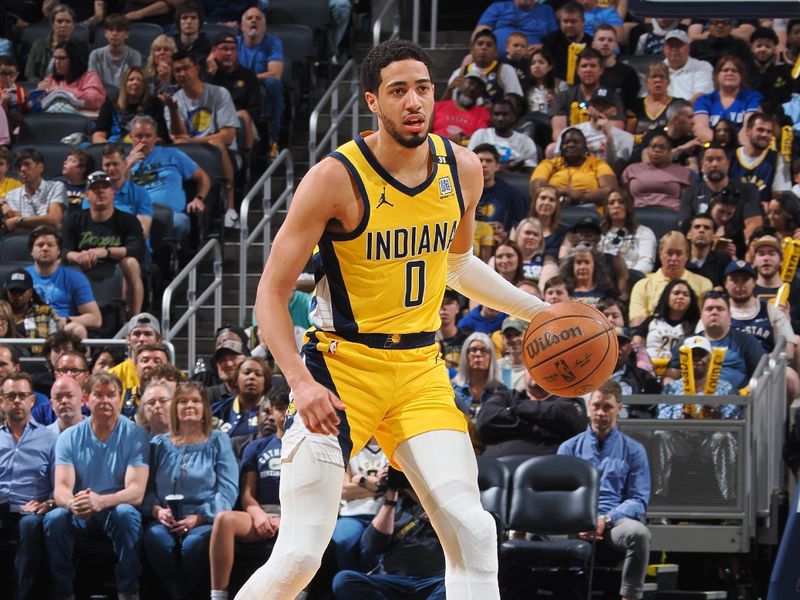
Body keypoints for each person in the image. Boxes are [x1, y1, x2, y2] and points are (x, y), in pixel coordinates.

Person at [239, 39, 551, 600]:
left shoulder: (463, 168)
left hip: (420, 371)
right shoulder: (334, 178)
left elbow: (457, 265)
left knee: (475, 531)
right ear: (372, 102)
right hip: (341, 369)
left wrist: (541, 312)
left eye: (423, 89)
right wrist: (300, 383)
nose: (414, 102)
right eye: (398, 91)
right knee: (299, 556)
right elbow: (271, 293)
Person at [44, 372, 149, 600]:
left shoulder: (136, 435)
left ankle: (128, 591)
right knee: (55, 518)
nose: (105, 400)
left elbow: (136, 492)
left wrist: (101, 501)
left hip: (114, 508)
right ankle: (63, 591)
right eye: (98, 395)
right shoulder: (69, 437)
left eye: (111, 395)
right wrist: (74, 504)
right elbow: (61, 489)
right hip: (81, 510)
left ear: (120, 399)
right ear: (86, 399)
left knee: (127, 513)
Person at [143, 381, 239, 600]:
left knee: (194, 545)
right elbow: (147, 488)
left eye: (195, 401)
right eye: (183, 401)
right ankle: (175, 592)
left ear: (204, 407)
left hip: (205, 519)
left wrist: (199, 517)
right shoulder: (158, 444)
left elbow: (227, 489)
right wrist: (157, 511)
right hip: (164, 519)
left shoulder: (219, 440)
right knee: (156, 540)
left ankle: (184, 594)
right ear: (175, 407)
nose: (189, 406)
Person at [558, 380, 652, 600]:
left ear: (619, 408)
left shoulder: (634, 450)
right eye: (596, 406)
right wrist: (580, 520)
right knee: (531, 530)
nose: (600, 413)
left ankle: (629, 596)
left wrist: (606, 520)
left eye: (607, 407)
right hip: (574, 521)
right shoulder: (569, 448)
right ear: (588, 406)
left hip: (613, 522)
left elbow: (638, 500)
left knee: (640, 534)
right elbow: (561, 496)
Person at [209, 382, 291, 599]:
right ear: (271, 410)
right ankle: (218, 595)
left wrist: (286, 519)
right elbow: (247, 494)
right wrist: (258, 514)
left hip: (294, 517)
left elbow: (310, 496)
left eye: (291, 408)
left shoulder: (307, 446)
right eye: (280, 408)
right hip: (261, 513)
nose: (285, 414)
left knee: (308, 527)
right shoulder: (256, 447)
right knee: (224, 520)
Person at [331, 470, 447, 600]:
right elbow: (373, 545)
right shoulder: (395, 503)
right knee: (344, 580)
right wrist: (390, 497)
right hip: (393, 581)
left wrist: (409, 488)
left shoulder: (439, 503)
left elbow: (445, 522)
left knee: (449, 588)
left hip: (432, 582)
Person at [0, 372, 58, 600]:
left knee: (30, 525)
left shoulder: (49, 438)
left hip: (32, 508)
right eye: (11, 396)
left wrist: (48, 503)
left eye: (22, 396)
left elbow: (58, 483)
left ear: (32, 401)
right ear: (2, 401)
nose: (17, 401)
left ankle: (23, 595)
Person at [61, 171, 146, 318]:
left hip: (115, 264)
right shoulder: (74, 219)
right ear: (87, 195)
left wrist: (106, 251)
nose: (100, 191)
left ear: (113, 193)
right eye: (95, 188)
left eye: (105, 187)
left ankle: (133, 320)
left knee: (131, 263)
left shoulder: (128, 220)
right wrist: (79, 256)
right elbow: (62, 249)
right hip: (82, 265)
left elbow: (137, 249)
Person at [168, 50, 238, 226]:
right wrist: (173, 111)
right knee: (177, 145)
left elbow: (228, 136)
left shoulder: (219, 93)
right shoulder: (174, 100)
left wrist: (193, 141)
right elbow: (178, 136)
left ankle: (230, 206)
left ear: (197, 68)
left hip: (224, 151)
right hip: (191, 151)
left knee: (217, 143)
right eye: (177, 71)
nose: (182, 74)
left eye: (186, 68)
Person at [127, 115, 211, 240]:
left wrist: (199, 199)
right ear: (131, 138)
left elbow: (203, 177)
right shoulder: (124, 163)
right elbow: (114, 190)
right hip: (138, 215)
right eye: (139, 136)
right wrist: (128, 164)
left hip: (172, 215)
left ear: (155, 138)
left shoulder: (172, 155)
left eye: (148, 136)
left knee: (179, 223)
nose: (143, 140)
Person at [724, 260, 799, 396]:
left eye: (745, 280)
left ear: (754, 282)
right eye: (734, 280)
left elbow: (788, 351)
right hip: (728, 368)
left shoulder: (771, 311)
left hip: (766, 368)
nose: (740, 285)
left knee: (789, 376)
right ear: (726, 283)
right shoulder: (717, 311)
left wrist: (762, 360)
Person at [663, 290, 766, 390]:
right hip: (690, 399)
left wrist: (745, 393)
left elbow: (763, 375)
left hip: (736, 399)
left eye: (720, 309)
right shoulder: (687, 343)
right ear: (701, 315)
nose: (714, 312)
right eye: (709, 309)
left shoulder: (746, 341)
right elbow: (670, 377)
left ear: (729, 315)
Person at [477, 369, 587, 457]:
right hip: (496, 469)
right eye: (532, 368)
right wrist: (539, 425)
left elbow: (573, 421)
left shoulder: (567, 399)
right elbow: (484, 421)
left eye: (542, 368)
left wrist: (516, 409)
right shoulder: (506, 397)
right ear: (524, 372)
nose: (537, 372)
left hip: (548, 471)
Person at [678, 143, 763, 251]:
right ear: (702, 164)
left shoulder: (747, 190)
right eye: (709, 160)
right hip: (701, 248)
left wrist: (744, 246)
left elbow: (754, 223)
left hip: (738, 247)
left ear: (728, 162)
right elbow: (685, 226)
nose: (714, 164)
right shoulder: (690, 193)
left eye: (719, 159)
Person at [26, 225, 101, 339]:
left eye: (50, 245)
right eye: (40, 245)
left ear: (58, 251)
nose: (45, 248)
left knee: (77, 329)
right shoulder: (22, 276)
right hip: (28, 328)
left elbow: (95, 319)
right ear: (32, 251)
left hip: (62, 332)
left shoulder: (75, 278)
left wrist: (64, 320)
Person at [629, 231, 713, 327]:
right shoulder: (642, 286)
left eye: (679, 254)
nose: (673, 258)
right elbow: (638, 324)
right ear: (660, 253)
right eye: (669, 253)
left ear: (687, 255)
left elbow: (705, 322)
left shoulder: (703, 284)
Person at [204, 32, 262, 153]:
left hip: (242, 122)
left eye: (233, 49)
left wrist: (236, 114)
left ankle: (242, 158)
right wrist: (210, 74)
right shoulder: (206, 76)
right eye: (224, 49)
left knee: (239, 120)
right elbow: (202, 103)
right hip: (212, 120)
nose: (229, 53)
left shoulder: (248, 75)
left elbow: (256, 108)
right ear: (214, 51)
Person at [237, 7, 285, 154]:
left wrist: (250, 79)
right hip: (238, 85)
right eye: (249, 18)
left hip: (260, 84)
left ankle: (273, 136)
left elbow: (275, 73)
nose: (254, 21)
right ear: (242, 26)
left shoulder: (273, 42)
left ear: (264, 26)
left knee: (273, 83)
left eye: (258, 18)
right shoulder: (234, 43)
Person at [550, 48, 625, 141]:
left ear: (601, 70)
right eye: (584, 66)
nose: (588, 70)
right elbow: (558, 133)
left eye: (593, 66)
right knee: (551, 147)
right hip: (571, 144)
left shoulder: (612, 97)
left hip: (602, 143)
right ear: (577, 70)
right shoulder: (563, 97)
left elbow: (617, 131)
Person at [530, 127, 616, 207]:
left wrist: (582, 197)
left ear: (585, 147)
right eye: (566, 142)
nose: (570, 145)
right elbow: (536, 188)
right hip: (554, 208)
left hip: (590, 211)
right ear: (561, 147)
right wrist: (567, 193)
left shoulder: (598, 164)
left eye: (576, 142)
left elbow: (610, 190)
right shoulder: (548, 164)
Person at [471, 143, 528, 260]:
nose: (484, 165)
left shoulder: (513, 195)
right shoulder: (462, 192)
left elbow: (520, 227)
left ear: (497, 166)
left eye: (489, 161)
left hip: (500, 251)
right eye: (480, 160)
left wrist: (505, 235)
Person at [693, 55, 763, 144]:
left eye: (734, 70)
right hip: (711, 148)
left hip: (742, 147)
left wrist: (732, 147)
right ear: (717, 75)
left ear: (741, 76)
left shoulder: (752, 98)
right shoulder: (704, 100)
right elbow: (701, 128)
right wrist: (718, 146)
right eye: (725, 70)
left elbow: (749, 128)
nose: (729, 73)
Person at [553, 90, 634, 167]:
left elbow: (614, 167)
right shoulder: (569, 132)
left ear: (614, 111)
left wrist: (608, 136)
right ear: (589, 108)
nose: (600, 109)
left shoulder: (625, 137)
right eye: (596, 105)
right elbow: (558, 161)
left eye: (605, 106)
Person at [92, 66, 170, 144]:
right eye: (131, 79)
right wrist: (111, 149)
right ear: (124, 84)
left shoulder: (155, 104)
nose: (135, 82)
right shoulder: (110, 105)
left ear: (145, 85)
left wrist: (142, 143)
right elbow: (97, 136)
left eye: (139, 80)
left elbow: (162, 138)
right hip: (116, 147)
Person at [92, 144, 154, 239]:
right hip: (102, 244)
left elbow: (143, 232)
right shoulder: (93, 193)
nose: (111, 169)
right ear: (102, 167)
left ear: (125, 164)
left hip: (132, 245)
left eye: (115, 164)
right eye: (107, 165)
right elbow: (90, 228)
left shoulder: (140, 193)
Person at [631, 279, 701, 364]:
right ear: (667, 296)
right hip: (648, 368)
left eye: (685, 295)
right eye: (676, 293)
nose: (680, 297)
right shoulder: (651, 321)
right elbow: (636, 346)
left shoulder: (696, 325)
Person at [621, 129, 693, 212]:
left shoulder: (682, 172)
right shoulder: (632, 169)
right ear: (647, 150)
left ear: (669, 152)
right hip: (639, 211)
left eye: (662, 147)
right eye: (653, 146)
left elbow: (688, 200)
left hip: (671, 212)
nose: (657, 150)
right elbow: (624, 195)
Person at [446, 30, 523, 104]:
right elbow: (443, 107)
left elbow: (516, 102)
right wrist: (449, 90)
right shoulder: (459, 73)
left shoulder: (506, 70)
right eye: (480, 44)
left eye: (489, 45)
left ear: (496, 52)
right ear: (472, 50)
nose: (484, 48)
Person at [729, 112, 791, 203]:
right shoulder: (730, 157)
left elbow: (781, 196)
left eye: (769, 131)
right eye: (760, 130)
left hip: (762, 210)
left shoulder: (778, 159)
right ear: (748, 131)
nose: (764, 134)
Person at [212, 355, 271, 447]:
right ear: (236, 380)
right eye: (247, 373)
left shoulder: (272, 413)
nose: (251, 377)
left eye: (258, 374)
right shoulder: (216, 411)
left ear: (265, 382)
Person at [2, 148, 66, 234]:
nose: (22, 169)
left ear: (40, 167)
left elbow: (54, 219)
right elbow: (13, 228)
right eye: (19, 166)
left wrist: (19, 220)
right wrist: (46, 224)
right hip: (22, 240)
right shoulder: (11, 195)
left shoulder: (56, 187)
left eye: (27, 164)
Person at [37, 40, 105, 116]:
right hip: (51, 118)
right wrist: (40, 93)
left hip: (79, 119)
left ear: (74, 60)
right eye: (55, 58)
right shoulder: (51, 78)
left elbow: (95, 100)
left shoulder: (90, 77)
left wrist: (62, 92)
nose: (57, 62)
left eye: (62, 58)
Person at [467, 98, 539, 170]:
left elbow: (530, 170)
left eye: (505, 114)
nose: (500, 118)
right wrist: (507, 167)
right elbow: (469, 163)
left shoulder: (526, 142)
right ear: (491, 117)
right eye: (496, 114)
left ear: (514, 117)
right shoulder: (480, 135)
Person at [24, 5, 90, 82]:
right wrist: (42, 85)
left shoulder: (80, 47)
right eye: (59, 21)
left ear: (73, 25)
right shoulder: (38, 45)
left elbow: (84, 76)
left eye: (68, 21)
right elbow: (29, 74)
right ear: (52, 24)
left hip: (71, 86)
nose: (63, 25)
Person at [599, 190, 657, 276]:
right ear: (606, 208)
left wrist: (628, 277)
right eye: (611, 203)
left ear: (628, 206)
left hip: (634, 278)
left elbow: (646, 262)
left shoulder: (644, 232)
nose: (616, 206)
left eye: (621, 202)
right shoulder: (599, 233)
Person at [451, 332, 507, 417]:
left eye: (483, 350)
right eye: (473, 350)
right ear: (465, 355)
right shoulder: (452, 390)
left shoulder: (501, 391)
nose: (478, 354)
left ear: (491, 356)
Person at [2, 268, 61, 348]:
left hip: (37, 355)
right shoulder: (1, 313)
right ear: (7, 292)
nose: (17, 295)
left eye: (21, 291)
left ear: (31, 292)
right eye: (13, 291)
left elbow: (58, 341)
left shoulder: (45, 313)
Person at [110, 311, 162, 394]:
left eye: (148, 334)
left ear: (158, 340)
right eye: (137, 334)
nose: (141, 339)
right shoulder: (114, 375)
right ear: (128, 339)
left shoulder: (171, 376)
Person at [474, 0, 558, 51]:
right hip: (495, 61)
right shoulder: (498, 7)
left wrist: (542, 47)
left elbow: (556, 40)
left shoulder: (546, 10)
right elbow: (480, 33)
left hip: (532, 63)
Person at [431, 74, 491, 146]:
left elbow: (481, 139)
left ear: (480, 94)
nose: (472, 88)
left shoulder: (483, 113)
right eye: (470, 83)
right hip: (434, 146)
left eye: (477, 87)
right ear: (460, 84)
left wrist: (462, 139)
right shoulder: (438, 106)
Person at [541, 1, 593, 82]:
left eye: (573, 21)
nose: (569, 25)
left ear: (583, 22)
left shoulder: (591, 43)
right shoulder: (552, 40)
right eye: (565, 21)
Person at [87, 13, 143, 88]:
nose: (114, 34)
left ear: (126, 34)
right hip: (101, 92)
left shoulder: (134, 55)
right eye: (111, 30)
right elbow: (92, 82)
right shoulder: (95, 55)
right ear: (106, 33)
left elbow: (134, 83)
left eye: (119, 30)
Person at [593, 24, 640, 114]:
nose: (605, 43)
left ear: (616, 45)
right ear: (593, 44)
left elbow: (631, 106)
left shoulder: (628, 73)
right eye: (601, 39)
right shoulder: (586, 71)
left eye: (610, 40)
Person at [628, 63, 678, 142]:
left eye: (662, 76)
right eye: (654, 76)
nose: (658, 80)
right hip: (639, 147)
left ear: (668, 81)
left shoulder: (678, 105)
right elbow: (627, 136)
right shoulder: (635, 105)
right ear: (647, 81)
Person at [662, 30, 714, 103]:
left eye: (678, 45)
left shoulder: (702, 67)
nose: (674, 49)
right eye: (670, 46)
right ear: (664, 48)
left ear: (688, 48)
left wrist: (684, 109)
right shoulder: (658, 69)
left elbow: (701, 96)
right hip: (664, 108)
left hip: (693, 109)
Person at [750, 26, 794, 109]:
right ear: (752, 48)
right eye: (759, 46)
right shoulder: (744, 72)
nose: (763, 49)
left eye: (768, 46)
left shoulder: (785, 71)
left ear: (774, 49)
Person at [684, 213, 733, 286]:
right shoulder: (680, 260)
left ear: (713, 236)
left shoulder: (723, 261)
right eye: (697, 227)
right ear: (689, 234)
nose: (701, 230)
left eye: (706, 228)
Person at [689, 19, 754, 73]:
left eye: (725, 22)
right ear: (709, 26)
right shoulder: (696, 45)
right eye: (715, 22)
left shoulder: (741, 46)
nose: (720, 26)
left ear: (732, 26)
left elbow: (747, 69)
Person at [512, 217, 557, 284]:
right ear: (517, 235)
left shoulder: (547, 262)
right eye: (527, 233)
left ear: (540, 240)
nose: (531, 237)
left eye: (536, 235)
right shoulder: (505, 258)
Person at [530, 184, 568, 259]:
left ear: (556, 206)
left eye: (551, 200)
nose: (546, 203)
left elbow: (563, 261)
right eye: (543, 198)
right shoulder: (518, 228)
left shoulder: (565, 233)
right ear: (535, 201)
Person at [207, 339, 249, 405]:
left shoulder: (259, 395)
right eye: (222, 360)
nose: (229, 364)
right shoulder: (208, 396)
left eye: (234, 358)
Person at [436, 289, 471, 370]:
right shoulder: (428, 341)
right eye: (440, 302)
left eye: (449, 303)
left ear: (458, 308)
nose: (444, 307)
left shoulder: (467, 340)